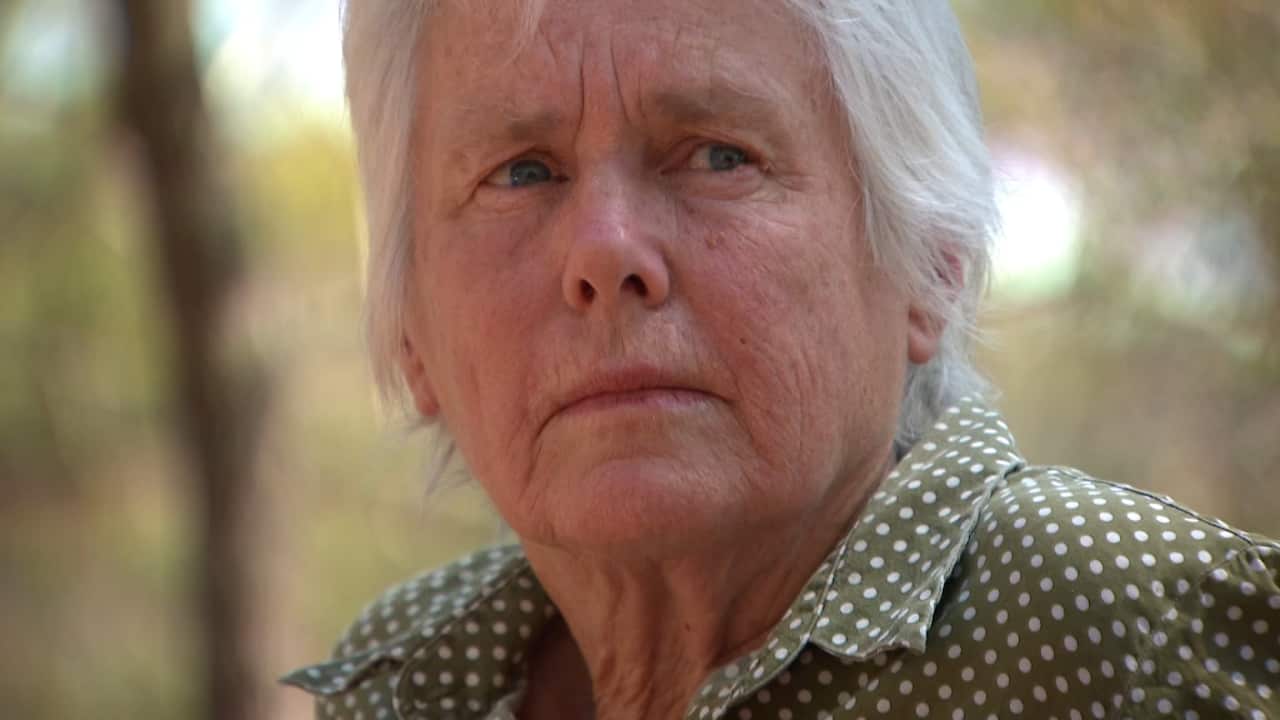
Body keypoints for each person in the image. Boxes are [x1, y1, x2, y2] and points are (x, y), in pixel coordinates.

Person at [283, 1, 1280, 718]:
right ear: (411, 330)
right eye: (522, 174)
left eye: (718, 155)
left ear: (929, 264)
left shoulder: (1123, 630)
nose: (604, 254)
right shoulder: (401, 680)